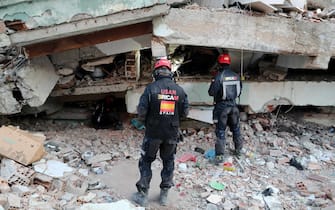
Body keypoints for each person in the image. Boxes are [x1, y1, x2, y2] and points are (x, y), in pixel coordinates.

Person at [133, 58, 189, 207]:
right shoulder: (179, 90)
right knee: (168, 161)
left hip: (153, 134)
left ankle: (143, 195)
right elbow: (185, 113)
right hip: (171, 134)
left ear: (156, 72)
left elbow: (141, 112)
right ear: (169, 72)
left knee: (146, 161)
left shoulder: (151, 89)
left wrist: (147, 122)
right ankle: (164, 195)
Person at [208, 53, 243, 164]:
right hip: (234, 106)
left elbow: (211, 92)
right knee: (236, 129)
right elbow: (240, 90)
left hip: (222, 108)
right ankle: (238, 151)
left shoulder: (219, 76)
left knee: (221, 131)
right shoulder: (236, 75)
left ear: (219, 63)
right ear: (229, 63)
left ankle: (219, 157)